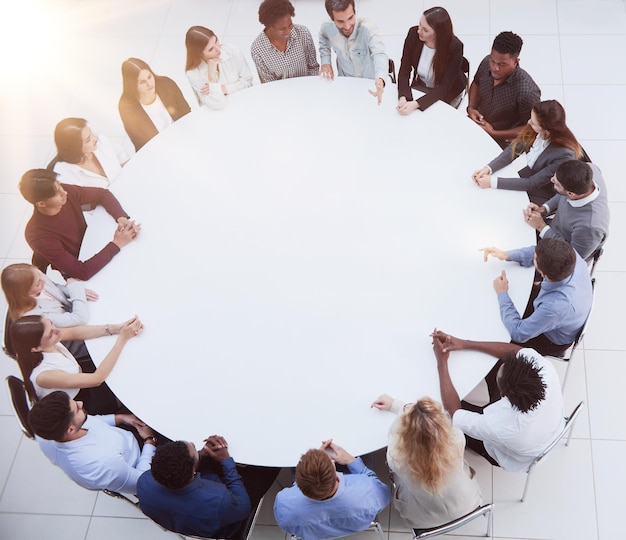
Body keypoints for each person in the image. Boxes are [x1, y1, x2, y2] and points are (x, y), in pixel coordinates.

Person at [431, 329, 565, 472]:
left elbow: (454, 413)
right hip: (552, 429)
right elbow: (515, 351)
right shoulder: (544, 369)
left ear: (503, 395)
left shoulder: (501, 425)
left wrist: (442, 362)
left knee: (445, 416)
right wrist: (465, 344)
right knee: (494, 364)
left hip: (516, 455)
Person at [370, 395, 482, 530]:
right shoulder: (457, 438)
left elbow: (392, 434)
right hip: (468, 502)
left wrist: (398, 407)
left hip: (425, 519)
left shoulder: (396, 457)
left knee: (399, 477)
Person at [137, 436, 279, 539]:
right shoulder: (220, 500)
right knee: (268, 467)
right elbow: (243, 506)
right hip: (221, 520)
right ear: (192, 471)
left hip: (179, 517)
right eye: (194, 451)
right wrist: (226, 461)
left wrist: (201, 455)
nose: (193, 443)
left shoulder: (144, 483)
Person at [20, 168, 140, 280]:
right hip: (81, 269)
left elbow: (102, 194)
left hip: (93, 244)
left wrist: (121, 217)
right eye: (57, 193)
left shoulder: (65, 192)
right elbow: (82, 272)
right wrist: (117, 243)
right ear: (41, 204)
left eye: (60, 185)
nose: (64, 192)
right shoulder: (37, 235)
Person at [28, 391, 157, 493]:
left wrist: (121, 418)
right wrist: (150, 441)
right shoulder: (104, 464)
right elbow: (142, 482)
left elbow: (93, 422)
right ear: (70, 430)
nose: (80, 403)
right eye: (77, 409)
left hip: (123, 437)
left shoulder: (44, 433)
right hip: (143, 460)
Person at [482, 238, 592, 357]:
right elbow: (538, 252)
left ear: (542, 275)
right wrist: (507, 255)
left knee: (495, 337)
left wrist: (502, 293)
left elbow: (518, 333)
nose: (533, 254)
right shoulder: (570, 254)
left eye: (534, 258)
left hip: (549, 340)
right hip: (562, 313)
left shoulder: (555, 306)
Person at [11, 314, 142, 413]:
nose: (58, 331)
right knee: (133, 384)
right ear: (36, 348)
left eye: (52, 324)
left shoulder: (48, 337)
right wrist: (123, 339)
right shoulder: (44, 375)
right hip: (81, 402)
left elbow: (75, 332)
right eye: (51, 334)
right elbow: (96, 379)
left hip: (79, 375)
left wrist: (116, 328)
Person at [274, 440, 391, 540]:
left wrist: (314, 460)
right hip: (356, 519)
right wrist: (352, 461)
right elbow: (384, 494)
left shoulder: (284, 505)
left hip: (311, 530)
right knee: (364, 447)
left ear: (299, 482)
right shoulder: (369, 492)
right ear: (337, 477)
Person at [472, 100, 583, 204]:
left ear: (547, 131)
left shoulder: (565, 154)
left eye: (534, 123)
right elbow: (514, 149)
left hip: (543, 191)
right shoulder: (535, 129)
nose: (529, 122)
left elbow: (532, 183)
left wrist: (491, 182)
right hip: (530, 174)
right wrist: (488, 168)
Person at [523, 160, 610, 261]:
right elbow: (562, 194)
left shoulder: (590, 227)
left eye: (556, 183)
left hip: (560, 255)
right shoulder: (590, 169)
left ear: (571, 194)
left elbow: (570, 256)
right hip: (553, 229)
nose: (551, 179)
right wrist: (544, 209)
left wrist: (541, 227)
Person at [467, 31, 540, 147]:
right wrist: (471, 107)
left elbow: (531, 128)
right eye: (493, 61)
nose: (494, 68)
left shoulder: (527, 91)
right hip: (476, 124)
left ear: (515, 61)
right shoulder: (486, 62)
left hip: (501, 140)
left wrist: (494, 133)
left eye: (501, 64)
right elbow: (476, 83)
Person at [397, 6, 466, 114]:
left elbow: (445, 87)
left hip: (447, 91)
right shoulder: (413, 34)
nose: (419, 31)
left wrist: (416, 104)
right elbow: (404, 69)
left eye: (425, 30)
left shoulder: (455, 47)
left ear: (439, 34)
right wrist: (403, 96)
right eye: (420, 24)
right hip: (422, 84)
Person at [318, 0, 388, 105]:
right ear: (332, 19)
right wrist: (325, 61)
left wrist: (380, 78)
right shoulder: (326, 27)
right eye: (340, 21)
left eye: (350, 18)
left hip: (368, 83)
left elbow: (379, 54)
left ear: (354, 12)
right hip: (346, 83)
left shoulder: (368, 28)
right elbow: (323, 40)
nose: (347, 26)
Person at [119, 58, 191, 152]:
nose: (149, 84)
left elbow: (186, 113)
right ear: (132, 85)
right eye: (142, 82)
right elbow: (140, 144)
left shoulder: (166, 84)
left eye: (149, 77)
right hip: (160, 150)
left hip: (183, 136)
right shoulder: (126, 108)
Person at [1, 263, 97, 328]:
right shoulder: (34, 317)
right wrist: (75, 288)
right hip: (75, 336)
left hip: (78, 312)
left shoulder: (35, 275)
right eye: (37, 284)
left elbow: (55, 287)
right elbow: (80, 319)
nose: (43, 281)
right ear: (25, 293)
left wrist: (74, 291)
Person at [47, 118, 128, 189]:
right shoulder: (64, 174)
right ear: (74, 148)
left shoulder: (100, 141)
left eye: (91, 133)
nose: (95, 138)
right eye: (88, 140)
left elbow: (123, 158)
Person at [251, 0, 319, 84]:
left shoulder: (303, 33)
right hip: (281, 94)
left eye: (290, 25)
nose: (288, 31)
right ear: (269, 26)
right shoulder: (258, 50)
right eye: (282, 29)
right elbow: (268, 84)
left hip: (307, 87)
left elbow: (313, 67)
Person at [185, 26, 253, 110]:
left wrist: (224, 89)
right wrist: (212, 78)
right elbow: (217, 104)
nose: (218, 49)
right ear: (199, 54)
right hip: (219, 114)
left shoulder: (232, 50)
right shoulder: (193, 74)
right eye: (210, 49)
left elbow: (248, 83)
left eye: (216, 41)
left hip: (244, 103)